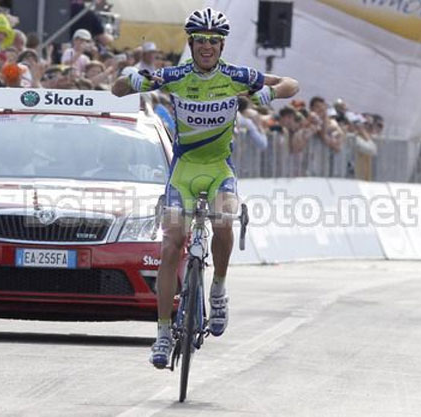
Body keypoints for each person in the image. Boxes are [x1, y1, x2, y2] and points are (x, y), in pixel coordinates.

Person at [112, 7, 299, 368]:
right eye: (201, 41)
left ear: (222, 44)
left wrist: (269, 95)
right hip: (183, 171)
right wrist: (133, 79)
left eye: (214, 41)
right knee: (170, 246)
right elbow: (117, 89)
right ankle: (163, 333)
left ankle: (218, 291)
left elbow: (291, 84)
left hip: (218, 170)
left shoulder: (236, 76)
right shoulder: (175, 75)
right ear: (191, 43)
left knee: (225, 220)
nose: (207, 47)